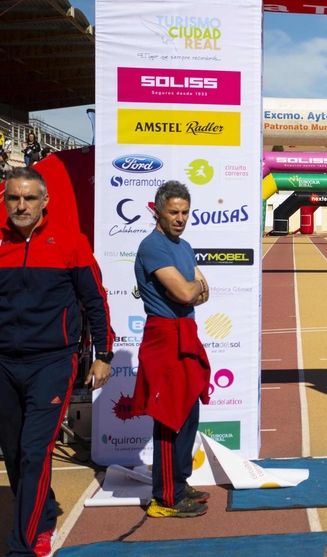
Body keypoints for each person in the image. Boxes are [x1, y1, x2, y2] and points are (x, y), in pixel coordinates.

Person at [0, 167, 113, 556]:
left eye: (29, 198)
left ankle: (24, 544)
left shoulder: (70, 241)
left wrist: (104, 354)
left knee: (35, 451)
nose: (21, 205)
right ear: (5, 199)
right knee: (14, 453)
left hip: (53, 362)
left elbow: (96, 300)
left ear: (44, 201)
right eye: (14, 197)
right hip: (3, 364)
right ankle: (42, 512)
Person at [132, 181, 212, 518]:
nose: (180, 218)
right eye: (173, 212)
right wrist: (192, 288)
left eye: (184, 212)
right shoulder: (153, 247)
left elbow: (203, 291)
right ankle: (165, 497)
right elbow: (187, 293)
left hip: (185, 332)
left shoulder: (185, 245)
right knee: (169, 417)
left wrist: (192, 288)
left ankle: (179, 481)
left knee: (189, 411)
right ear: (157, 211)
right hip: (164, 336)